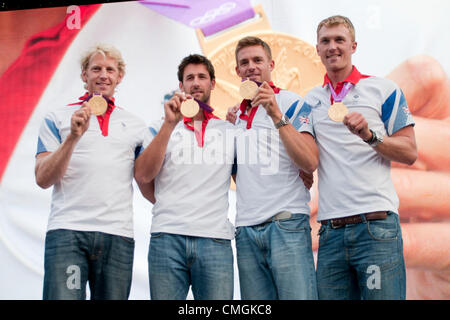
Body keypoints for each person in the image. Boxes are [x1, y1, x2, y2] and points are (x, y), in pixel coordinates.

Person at [305, 15, 418, 300]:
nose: (332, 47)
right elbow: (304, 152)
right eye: (325, 41)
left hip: (375, 227)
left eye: (339, 40)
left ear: (353, 45)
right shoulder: (310, 100)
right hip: (330, 233)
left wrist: (370, 136)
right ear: (317, 49)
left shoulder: (383, 89)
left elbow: (409, 152)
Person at [35, 44, 152, 300]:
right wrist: (72, 138)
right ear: (83, 75)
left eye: (110, 69)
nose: (103, 75)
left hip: (117, 236)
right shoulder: (57, 117)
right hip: (68, 233)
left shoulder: (136, 125)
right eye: (96, 68)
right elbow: (43, 179)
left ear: (119, 77)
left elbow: (147, 183)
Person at [134, 54, 235, 300]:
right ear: (181, 86)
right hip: (167, 238)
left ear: (213, 83)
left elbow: (248, 180)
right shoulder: (158, 126)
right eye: (189, 78)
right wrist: (169, 124)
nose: (196, 83)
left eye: (202, 77)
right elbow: (143, 175)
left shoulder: (230, 130)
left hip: (215, 240)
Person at [227, 36, 319, 299]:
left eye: (257, 60)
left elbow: (310, 161)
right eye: (244, 62)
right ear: (237, 71)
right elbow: (237, 172)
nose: (251, 66)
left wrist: (275, 113)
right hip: (246, 229)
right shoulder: (236, 116)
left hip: (286, 225)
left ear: (271, 64)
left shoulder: (291, 102)